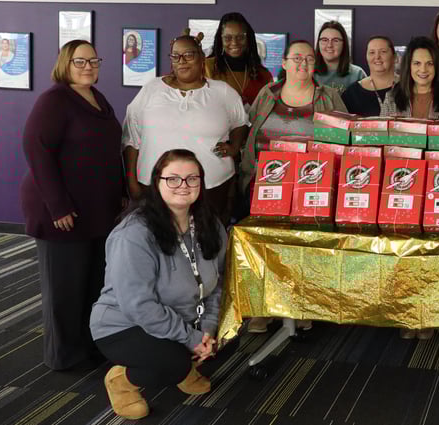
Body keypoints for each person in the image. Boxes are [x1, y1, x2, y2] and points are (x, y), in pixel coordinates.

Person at [90, 149, 226, 419]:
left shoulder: (210, 224)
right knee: (172, 363)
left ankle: (182, 357)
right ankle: (121, 381)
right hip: (124, 323)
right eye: (173, 179)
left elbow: (218, 282)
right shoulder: (134, 234)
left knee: (221, 336)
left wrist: (208, 328)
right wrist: (192, 338)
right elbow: (139, 306)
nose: (183, 186)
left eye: (192, 179)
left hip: (181, 317)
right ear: (156, 183)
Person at [20, 39, 123, 371]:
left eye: (93, 61)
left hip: (97, 210)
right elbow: (37, 151)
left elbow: (109, 151)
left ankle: (90, 346)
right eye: (80, 62)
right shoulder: (54, 100)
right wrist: (58, 206)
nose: (88, 67)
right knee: (64, 289)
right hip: (62, 213)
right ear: (65, 63)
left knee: (92, 284)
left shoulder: (97, 97)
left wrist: (120, 190)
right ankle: (63, 356)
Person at [240, 39, 346, 334]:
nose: (303, 64)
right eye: (296, 58)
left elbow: (342, 143)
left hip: (311, 186)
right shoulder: (267, 94)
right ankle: (264, 308)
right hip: (265, 183)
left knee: (304, 248)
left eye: (309, 59)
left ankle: (301, 305)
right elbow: (250, 131)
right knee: (265, 247)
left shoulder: (329, 96)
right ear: (284, 63)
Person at [123, 31, 249, 224]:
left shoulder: (223, 92)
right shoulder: (151, 89)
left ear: (201, 57)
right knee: (158, 245)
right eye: (176, 56)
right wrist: (132, 182)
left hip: (212, 189)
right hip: (155, 188)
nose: (181, 61)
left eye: (188, 55)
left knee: (206, 245)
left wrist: (234, 146)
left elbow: (241, 122)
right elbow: (131, 138)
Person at [380, 36, 439, 121]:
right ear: (409, 66)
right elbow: (382, 132)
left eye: (430, 63)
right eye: (417, 63)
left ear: (437, 66)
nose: (423, 70)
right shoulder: (391, 98)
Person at [205, 12, 274, 107]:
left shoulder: (263, 75)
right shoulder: (207, 68)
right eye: (228, 38)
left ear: (248, 38)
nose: (234, 43)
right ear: (221, 40)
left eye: (240, 37)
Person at [341, 35, 397, 117]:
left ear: (394, 57)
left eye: (383, 51)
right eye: (372, 52)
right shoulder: (352, 93)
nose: (377, 57)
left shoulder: (409, 87)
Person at [314, 20, 366, 93]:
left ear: (344, 44)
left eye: (335, 40)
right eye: (324, 40)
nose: (329, 45)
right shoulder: (309, 72)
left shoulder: (358, 74)